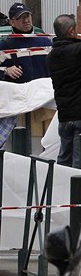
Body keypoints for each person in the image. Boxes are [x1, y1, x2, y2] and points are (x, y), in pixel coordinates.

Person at [0, 2, 52, 83]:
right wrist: (6, 71)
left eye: (27, 16)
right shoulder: (6, 45)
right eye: (20, 18)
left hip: (44, 93)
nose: (26, 20)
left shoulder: (45, 42)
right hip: (19, 94)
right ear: (11, 22)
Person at [46, 14, 81, 169]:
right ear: (71, 31)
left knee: (64, 162)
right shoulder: (78, 50)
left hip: (64, 116)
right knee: (78, 166)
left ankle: (59, 190)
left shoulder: (51, 56)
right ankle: (75, 193)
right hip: (79, 114)